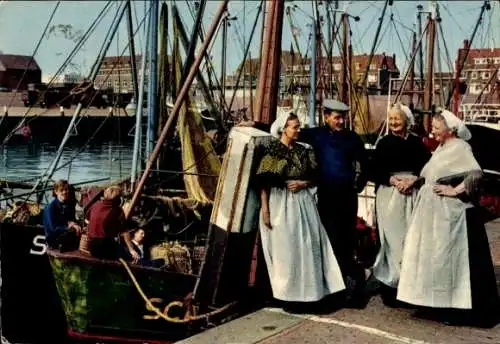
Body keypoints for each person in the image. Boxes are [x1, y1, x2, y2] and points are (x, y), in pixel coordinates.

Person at [243, 99, 370, 307]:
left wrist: (359, 185)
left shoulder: (352, 138)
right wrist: (254, 125)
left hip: (346, 196)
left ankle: (353, 290)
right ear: (326, 116)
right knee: (326, 241)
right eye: (336, 117)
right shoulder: (315, 135)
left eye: (342, 117)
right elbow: (283, 129)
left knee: (346, 241)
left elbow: (365, 163)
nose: (340, 121)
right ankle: (329, 290)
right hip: (325, 197)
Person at [397, 109, 499, 327]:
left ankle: (454, 306)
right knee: (434, 257)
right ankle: (435, 302)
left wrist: (456, 191)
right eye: (432, 125)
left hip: (448, 213)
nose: (432, 128)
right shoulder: (442, 148)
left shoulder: (461, 147)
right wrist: (415, 180)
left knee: (449, 258)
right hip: (431, 212)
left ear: (450, 129)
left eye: (437, 125)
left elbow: (476, 173)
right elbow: (430, 174)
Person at [256, 112, 345, 311]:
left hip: (303, 202)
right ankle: (288, 295)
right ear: (283, 129)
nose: (298, 130)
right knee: (286, 250)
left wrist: (303, 183)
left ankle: (310, 293)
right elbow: (263, 183)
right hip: (280, 203)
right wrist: (265, 210)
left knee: (307, 246)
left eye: (298, 126)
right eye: (295, 127)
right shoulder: (272, 150)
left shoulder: (305, 150)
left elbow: (315, 176)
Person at [371, 103, 431, 307]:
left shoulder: (417, 143)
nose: (394, 122)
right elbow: (375, 171)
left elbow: (428, 169)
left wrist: (414, 180)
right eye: (391, 118)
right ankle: (391, 287)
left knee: (412, 240)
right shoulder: (384, 143)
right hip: (390, 195)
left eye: (397, 118)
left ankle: (410, 287)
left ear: (407, 120)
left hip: (413, 194)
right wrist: (395, 181)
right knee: (392, 241)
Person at [86, 186, 139, 262]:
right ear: (118, 199)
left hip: (91, 247)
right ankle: (153, 264)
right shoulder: (117, 210)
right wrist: (132, 250)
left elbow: (87, 219)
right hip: (105, 248)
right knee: (130, 255)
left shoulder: (95, 204)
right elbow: (124, 232)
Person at [43, 179, 81, 251]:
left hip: (63, 234)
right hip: (54, 239)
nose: (64, 192)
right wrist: (68, 226)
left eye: (66, 189)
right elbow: (53, 229)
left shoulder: (67, 205)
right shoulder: (51, 207)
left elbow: (68, 219)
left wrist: (73, 223)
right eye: (61, 190)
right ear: (56, 191)